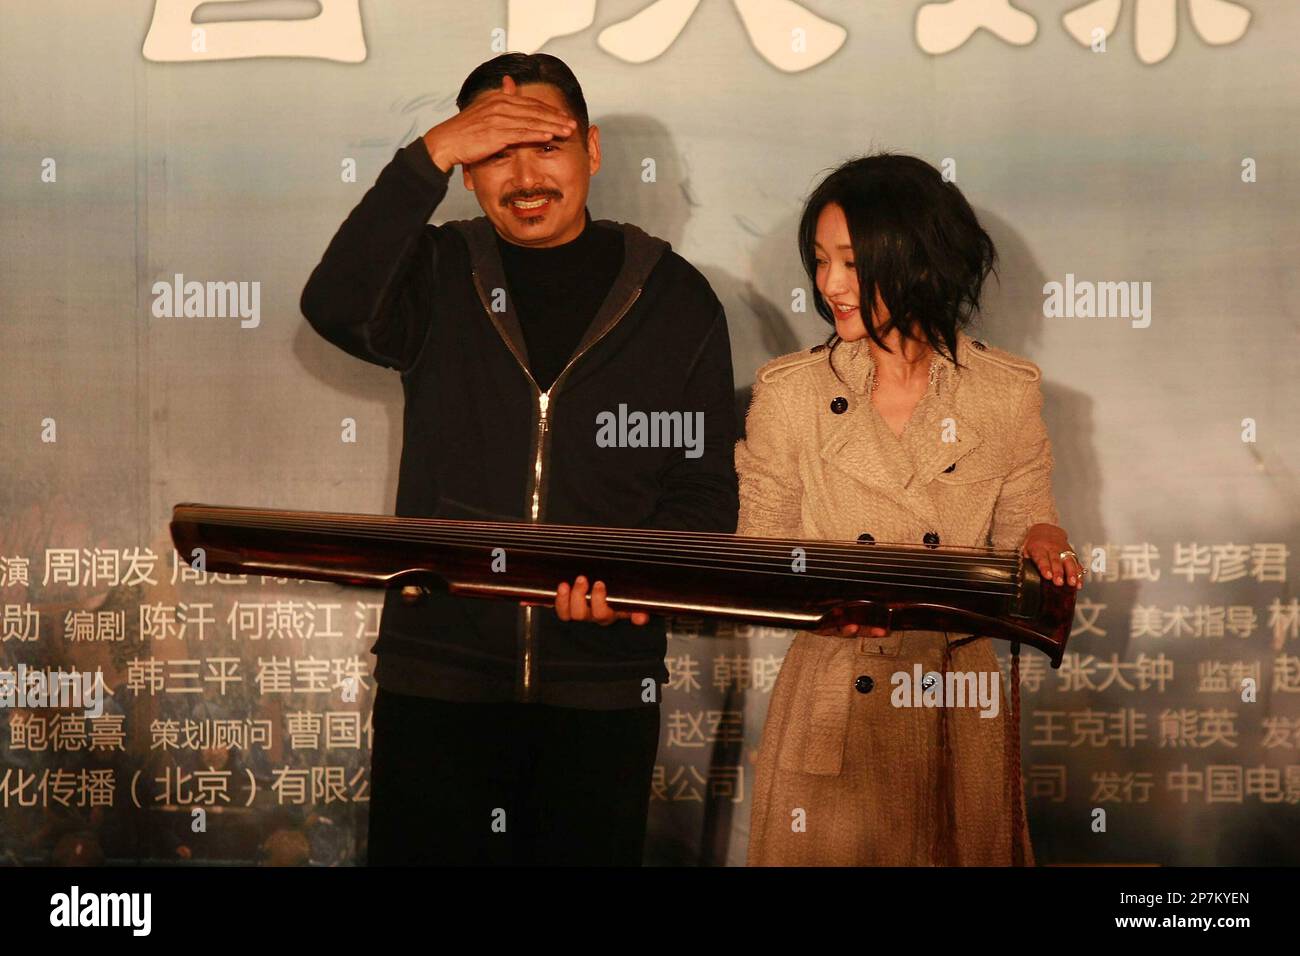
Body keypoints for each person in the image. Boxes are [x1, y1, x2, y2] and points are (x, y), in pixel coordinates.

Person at [301, 53, 738, 865]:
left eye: (545, 143)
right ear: (465, 171)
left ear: (593, 151)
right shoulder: (435, 273)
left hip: (604, 687)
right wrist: (425, 154)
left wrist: (631, 586)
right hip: (437, 680)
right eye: (492, 150)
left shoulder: (676, 298)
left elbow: (702, 488)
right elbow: (332, 304)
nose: (524, 174)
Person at [735, 154, 1085, 866]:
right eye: (821, 261)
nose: (829, 285)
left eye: (853, 263)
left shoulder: (1004, 392)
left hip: (957, 698)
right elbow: (758, 559)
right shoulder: (790, 393)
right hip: (835, 698)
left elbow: (1028, 519)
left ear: (919, 260)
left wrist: (1047, 540)